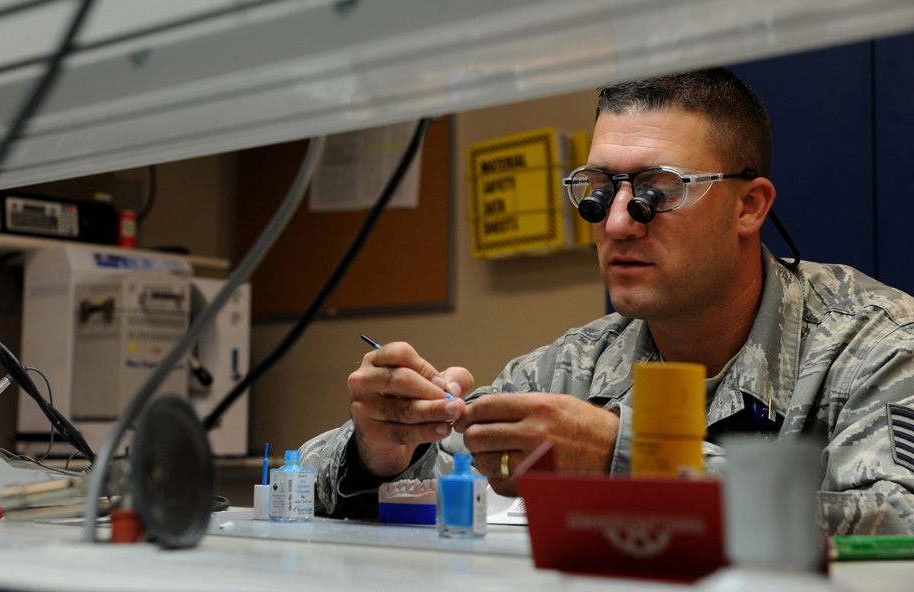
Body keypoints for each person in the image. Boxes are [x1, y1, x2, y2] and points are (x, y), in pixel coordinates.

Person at [299, 68, 914, 535]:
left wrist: (625, 457)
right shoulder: (578, 369)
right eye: (598, 190)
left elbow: (899, 523)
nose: (617, 222)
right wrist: (379, 452)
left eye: (658, 191)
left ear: (749, 206)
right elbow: (325, 488)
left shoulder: (876, 343)